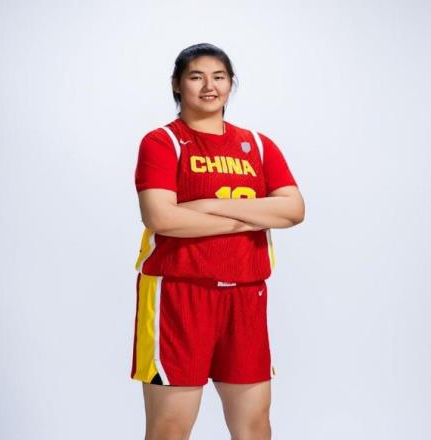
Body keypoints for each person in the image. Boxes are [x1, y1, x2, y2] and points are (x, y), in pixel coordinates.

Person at [130, 43, 305, 440]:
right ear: (177, 85)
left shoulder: (257, 145)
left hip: (246, 294)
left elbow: (294, 209)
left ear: (231, 84)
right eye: (196, 77)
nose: (209, 86)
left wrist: (210, 206)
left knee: (254, 425)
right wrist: (252, 218)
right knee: (170, 427)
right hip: (179, 294)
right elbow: (161, 218)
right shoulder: (162, 142)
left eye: (219, 77)